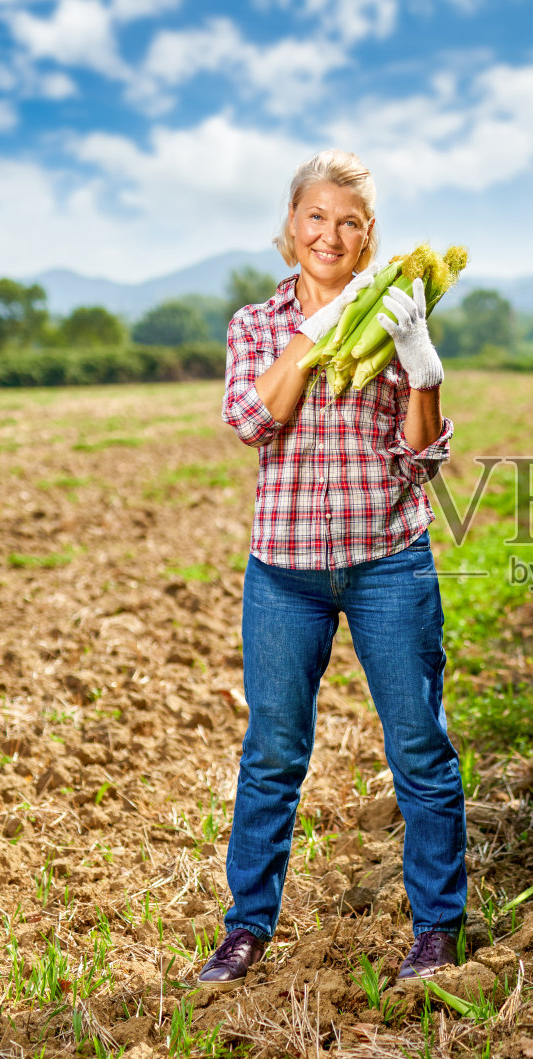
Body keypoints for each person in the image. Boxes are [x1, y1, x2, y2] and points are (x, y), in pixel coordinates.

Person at [203, 149, 466, 990]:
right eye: (317, 216)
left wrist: (420, 367)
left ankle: (436, 930)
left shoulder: (397, 314)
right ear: (291, 227)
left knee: (419, 747)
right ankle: (246, 929)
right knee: (274, 752)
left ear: (369, 235)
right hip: (285, 572)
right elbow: (251, 418)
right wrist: (318, 333)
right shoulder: (256, 323)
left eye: (350, 221)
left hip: (390, 559)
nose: (332, 232)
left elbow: (420, 458)